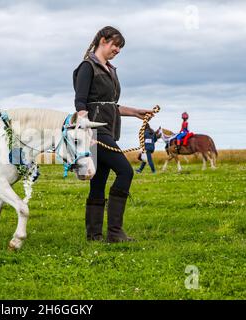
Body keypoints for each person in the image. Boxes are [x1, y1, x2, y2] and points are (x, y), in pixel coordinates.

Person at [73, 26, 154, 243]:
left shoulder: (110, 69)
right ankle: (115, 232)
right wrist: (86, 127)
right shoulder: (87, 67)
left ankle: (94, 235)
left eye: (120, 47)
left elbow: (111, 105)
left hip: (110, 130)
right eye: (115, 45)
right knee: (126, 171)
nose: (117, 50)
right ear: (102, 40)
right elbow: (81, 102)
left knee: (98, 180)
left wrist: (136, 112)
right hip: (95, 131)